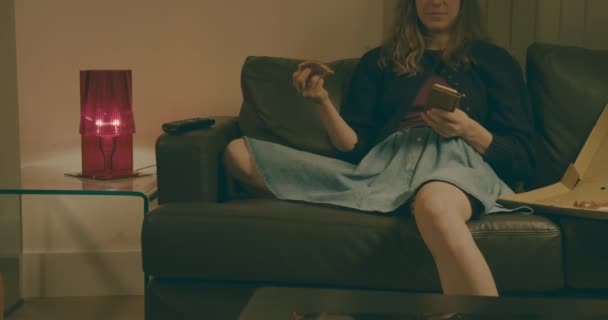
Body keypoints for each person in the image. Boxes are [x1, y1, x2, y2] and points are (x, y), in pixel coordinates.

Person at [223, 0, 535, 298]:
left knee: (436, 208)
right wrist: (322, 102)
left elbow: (522, 157)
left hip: (456, 164)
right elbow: (354, 147)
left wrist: (467, 129)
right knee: (238, 153)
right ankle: (400, 200)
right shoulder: (379, 61)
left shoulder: (495, 61)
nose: (436, 2)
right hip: (382, 169)